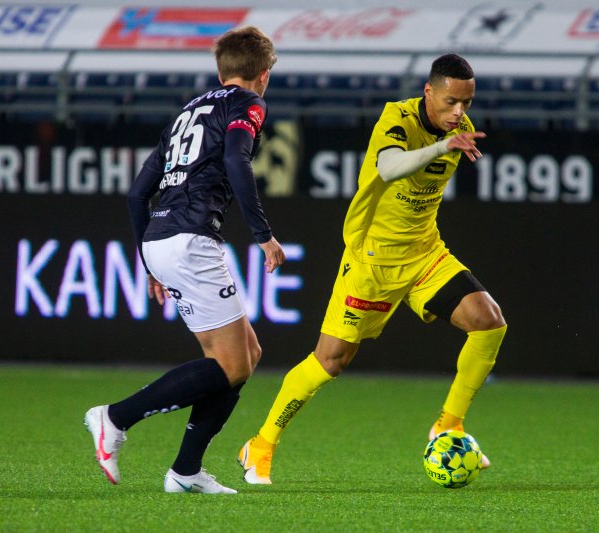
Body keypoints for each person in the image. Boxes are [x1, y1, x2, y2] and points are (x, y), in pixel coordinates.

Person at [238, 53, 507, 485]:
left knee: (489, 322)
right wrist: (442, 146)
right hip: (372, 261)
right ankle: (261, 444)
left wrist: (451, 137)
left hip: (424, 254)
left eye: (467, 103)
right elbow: (389, 166)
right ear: (429, 92)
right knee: (330, 362)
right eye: (452, 101)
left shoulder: (458, 127)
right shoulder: (397, 119)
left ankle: (448, 424)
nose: (459, 112)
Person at [84, 25, 285, 495]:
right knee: (233, 365)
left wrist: (148, 262)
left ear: (221, 69)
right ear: (263, 74)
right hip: (191, 239)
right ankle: (115, 417)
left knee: (245, 355)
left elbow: (138, 193)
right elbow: (238, 161)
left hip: (160, 236)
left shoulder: (184, 114)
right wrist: (263, 235)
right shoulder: (247, 104)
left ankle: (186, 470)